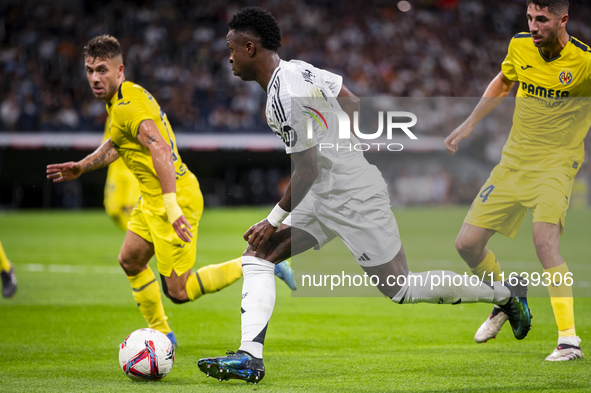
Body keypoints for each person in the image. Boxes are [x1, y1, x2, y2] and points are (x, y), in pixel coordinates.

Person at [198, 7, 533, 384]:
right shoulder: (299, 70)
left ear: (250, 47)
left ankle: (506, 294)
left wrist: (272, 219)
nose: (228, 57)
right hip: (326, 193)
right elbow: (351, 98)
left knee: (401, 288)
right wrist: (346, 145)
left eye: (231, 48)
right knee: (259, 255)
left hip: (352, 197)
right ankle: (249, 357)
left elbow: (306, 169)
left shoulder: (285, 96)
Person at [46, 35, 295, 348]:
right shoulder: (125, 97)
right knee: (130, 260)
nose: (95, 78)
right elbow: (118, 143)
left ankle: (262, 262)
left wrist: (172, 207)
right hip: (152, 200)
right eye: (90, 70)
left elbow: (160, 148)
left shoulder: (127, 107)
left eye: (102, 70)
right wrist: (83, 166)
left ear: (119, 69)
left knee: (179, 291)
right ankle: (163, 334)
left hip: (174, 199)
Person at [444, 0, 588, 362]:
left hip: (556, 164)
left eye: (542, 19)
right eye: (530, 18)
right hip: (513, 164)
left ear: (562, 20)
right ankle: (508, 298)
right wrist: (469, 123)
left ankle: (569, 341)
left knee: (544, 242)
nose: (534, 25)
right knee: (467, 244)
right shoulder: (519, 45)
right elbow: (504, 80)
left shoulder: (584, 63)